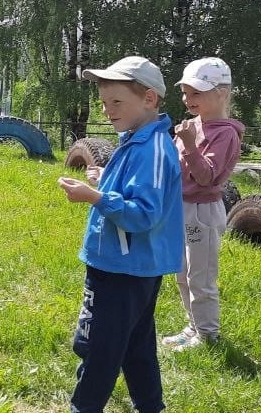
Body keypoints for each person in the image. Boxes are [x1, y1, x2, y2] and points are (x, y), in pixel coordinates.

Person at [56, 56, 183, 413]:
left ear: (149, 99)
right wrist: (104, 181)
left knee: (99, 348)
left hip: (122, 270)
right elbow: (133, 192)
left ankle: (84, 406)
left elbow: (144, 214)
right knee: (136, 347)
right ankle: (150, 407)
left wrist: (95, 196)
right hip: (130, 267)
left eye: (116, 102)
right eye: (103, 102)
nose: (107, 110)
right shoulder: (137, 139)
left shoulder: (153, 149)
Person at [162, 57, 244, 352]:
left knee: (200, 276)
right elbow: (174, 166)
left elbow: (207, 177)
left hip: (202, 213)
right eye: (185, 92)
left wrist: (190, 145)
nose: (187, 99)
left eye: (196, 92)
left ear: (221, 93)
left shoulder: (226, 134)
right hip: (180, 208)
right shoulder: (191, 126)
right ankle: (193, 327)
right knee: (181, 273)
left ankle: (208, 335)